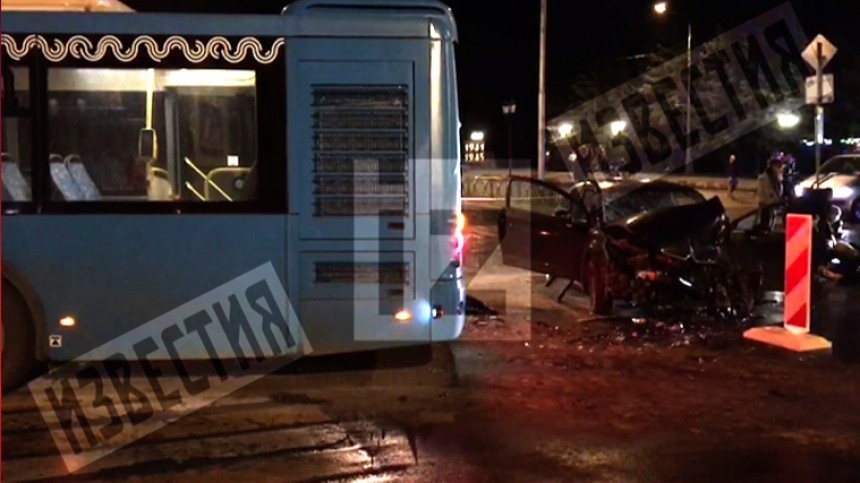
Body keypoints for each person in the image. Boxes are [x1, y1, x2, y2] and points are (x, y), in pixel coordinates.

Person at [755, 158, 783, 233]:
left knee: (770, 221)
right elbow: (766, 192)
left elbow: (778, 190)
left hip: (772, 204)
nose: (779, 169)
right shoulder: (764, 178)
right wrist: (774, 200)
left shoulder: (776, 177)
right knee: (765, 221)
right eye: (777, 166)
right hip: (766, 204)